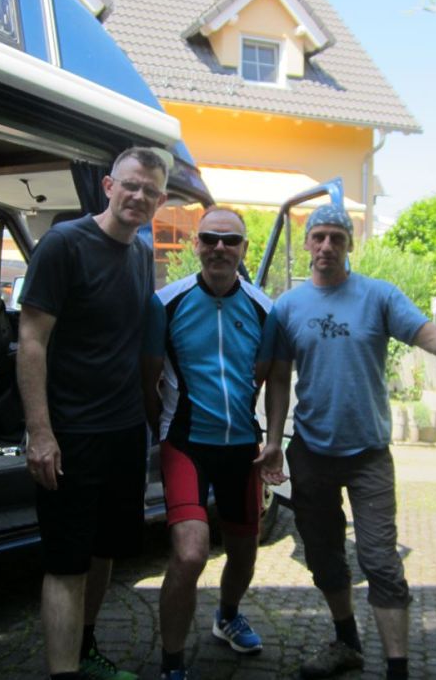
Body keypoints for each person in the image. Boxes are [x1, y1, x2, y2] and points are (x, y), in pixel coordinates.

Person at [263, 203, 436, 680]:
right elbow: (277, 378)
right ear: (307, 243)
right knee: (323, 557)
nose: (327, 245)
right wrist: (273, 440)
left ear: (350, 244)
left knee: (380, 561)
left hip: (368, 455)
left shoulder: (378, 296)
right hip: (310, 451)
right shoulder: (287, 307)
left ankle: (397, 668)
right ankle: (346, 642)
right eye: (319, 236)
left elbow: (430, 336)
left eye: (337, 237)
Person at [17, 147, 169, 680]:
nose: (138, 196)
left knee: (105, 551)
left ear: (160, 200)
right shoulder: (64, 244)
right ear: (108, 186)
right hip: (71, 433)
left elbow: (137, 342)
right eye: (130, 185)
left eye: (150, 191)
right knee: (67, 562)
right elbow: (31, 340)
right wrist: (40, 433)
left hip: (123, 433)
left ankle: (85, 652)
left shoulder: (143, 255)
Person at [142, 207, 279, 680]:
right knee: (190, 553)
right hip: (186, 443)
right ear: (196, 244)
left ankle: (228, 615)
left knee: (245, 553)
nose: (220, 247)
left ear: (244, 249)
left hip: (241, 447)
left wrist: (273, 440)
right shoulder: (165, 303)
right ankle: (172, 664)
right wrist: (161, 432)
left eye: (231, 240)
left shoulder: (265, 308)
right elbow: (147, 378)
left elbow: (272, 379)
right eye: (210, 238)